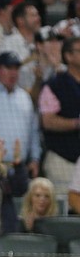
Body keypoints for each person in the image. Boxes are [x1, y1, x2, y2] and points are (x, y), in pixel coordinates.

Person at [39, 36, 80, 195]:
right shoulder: (55, 85)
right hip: (63, 160)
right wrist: (76, 123)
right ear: (68, 56)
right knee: (64, 209)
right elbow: (47, 121)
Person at [0, 2, 41, 94]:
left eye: (38, 15)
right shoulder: (8, 43)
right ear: (20, 20)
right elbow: (4, 71)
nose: (38, 18)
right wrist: (30, 59)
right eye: (33, 15)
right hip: (14, 95)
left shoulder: (41, 42)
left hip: (40, 96)